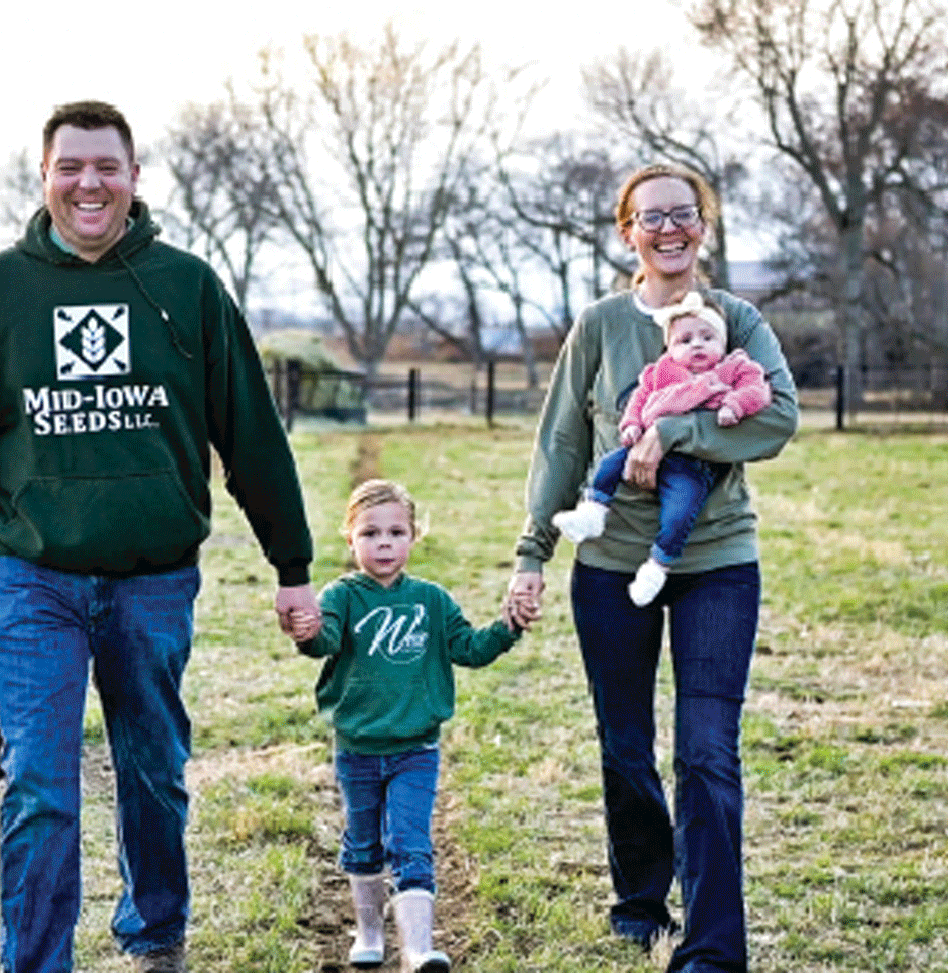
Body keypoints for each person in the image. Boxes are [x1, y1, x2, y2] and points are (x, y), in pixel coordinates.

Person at [0, 100, 320, 973]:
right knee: (40, 787)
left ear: (135, 177)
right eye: (70, 166)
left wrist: (291, 564)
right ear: (44, 176)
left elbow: (251, 432)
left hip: (153, 579)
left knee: (152, 771)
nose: (89, 183)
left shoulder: (187, 286)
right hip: (34, 578)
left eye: (107, 166)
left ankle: (155, 932)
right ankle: (37, 962)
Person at [504, 162, 798, 973]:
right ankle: (640, 899)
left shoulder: (737, 319)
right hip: (609, 563)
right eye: (651, 216)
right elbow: (562, 442)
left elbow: (778, 415)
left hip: (716, 560)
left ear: (704, 224)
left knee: (706, 750)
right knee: (626, 744)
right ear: (627, 231)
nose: (669, 228)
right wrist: (532, 554)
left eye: (684, 213)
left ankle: (712, 949)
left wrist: (677, 433)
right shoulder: (600, 325)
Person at [290, 479, 520, 973]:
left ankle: (418, 948)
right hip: (357, 749)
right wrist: (306, 631)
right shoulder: (343, 596)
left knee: (410, 842)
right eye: (370, 533)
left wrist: (508, 627)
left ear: (415, 537)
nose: (384, 544)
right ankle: (370, 933)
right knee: (363, 842)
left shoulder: (431, 601)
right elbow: (324, 641)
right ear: (350, 539)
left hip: (417, 749)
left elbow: (469, 648)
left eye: (396, 532)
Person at [552, 290, 772, 606]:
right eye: (685, 340)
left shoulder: (734, 368)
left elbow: (758, 392)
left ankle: (657, 566)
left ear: (723, 342)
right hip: (641, 448)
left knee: (680, 510)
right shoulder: (660, 372)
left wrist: (734, 405)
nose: (697, 345)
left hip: (694, 463)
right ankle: (593, 511)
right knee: (610, 464)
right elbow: (638, 400)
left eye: (707, 337)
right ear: (670, 347)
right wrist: (631, 425)